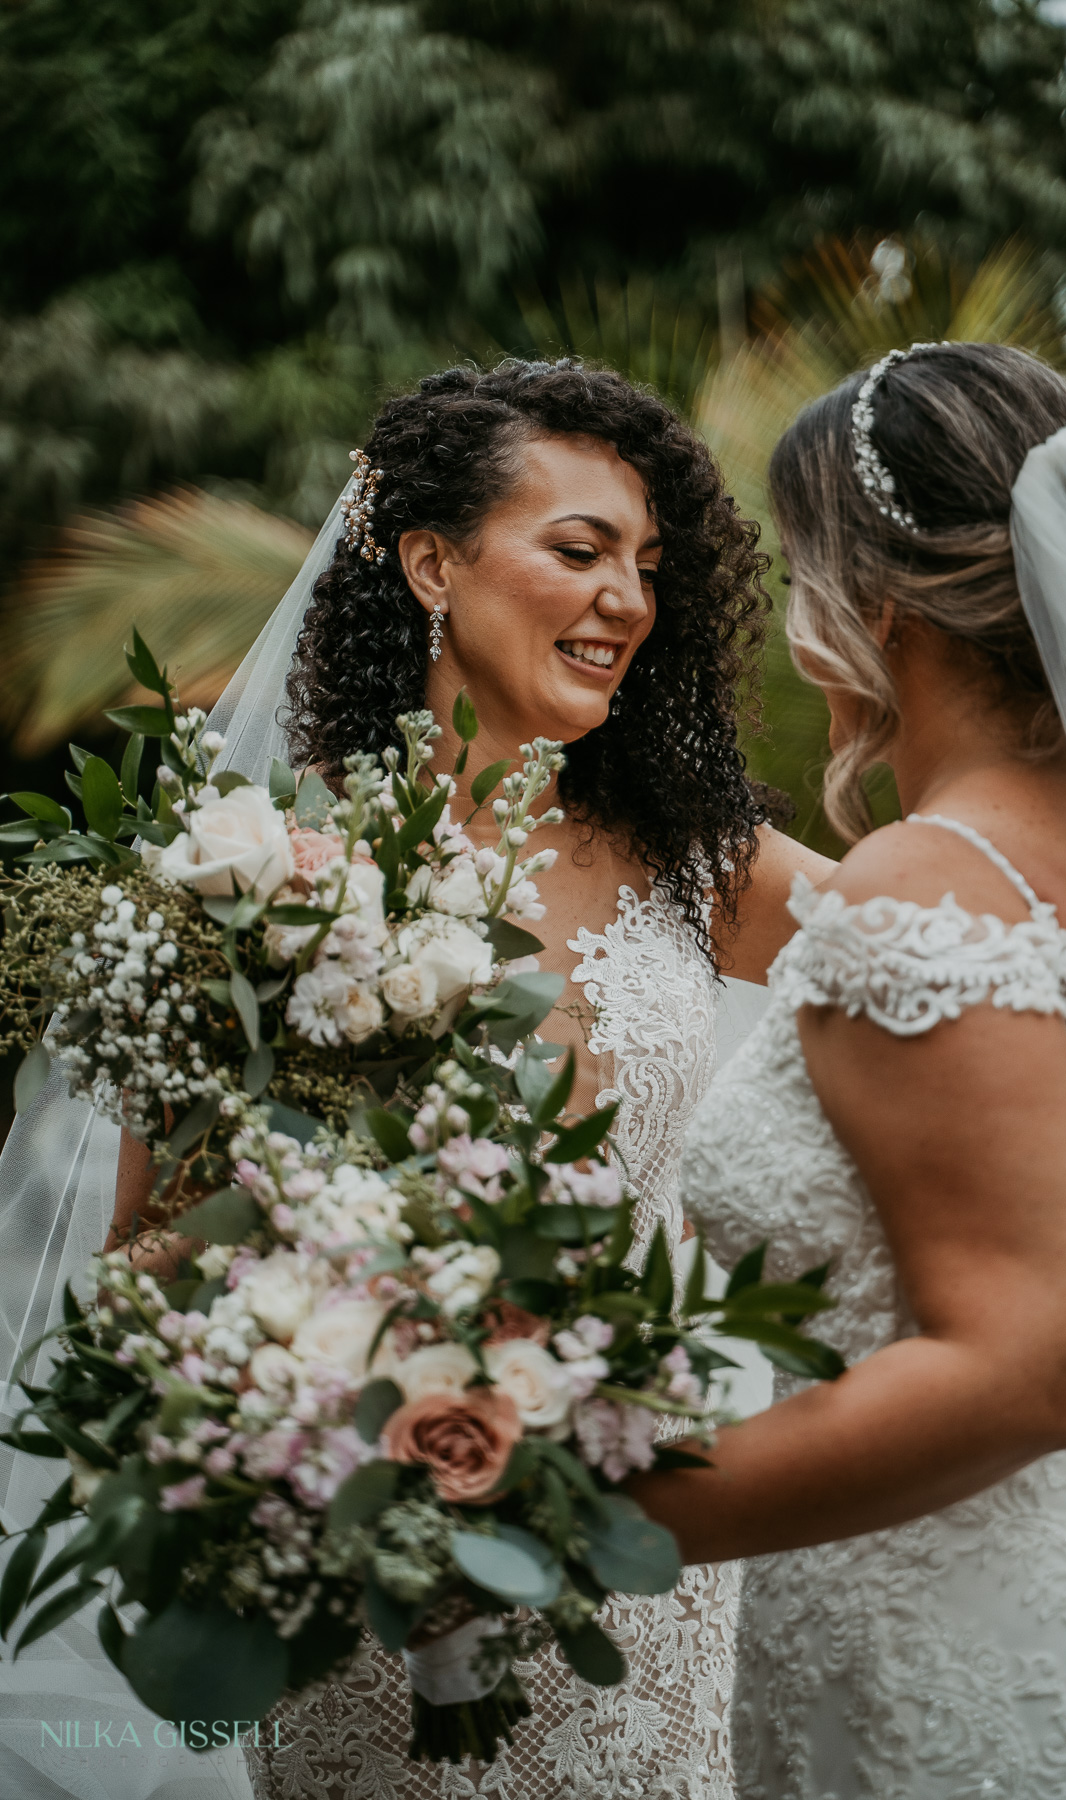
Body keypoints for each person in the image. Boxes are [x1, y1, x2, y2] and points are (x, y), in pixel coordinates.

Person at [200, 358, 826, 1800]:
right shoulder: (260, 875)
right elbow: (156, 1249)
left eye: (650, 566)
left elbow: (942, 956)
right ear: (431, 561)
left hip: (644, 1550)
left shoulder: (694, 857)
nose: (628, 599)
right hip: (373, 1545)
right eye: (579, 550)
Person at [628, 342, 1066, 1798]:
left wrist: (591, 1508)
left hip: (969, 1685)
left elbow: (1025, 1365)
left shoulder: (925, 885)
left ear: (875, 605)